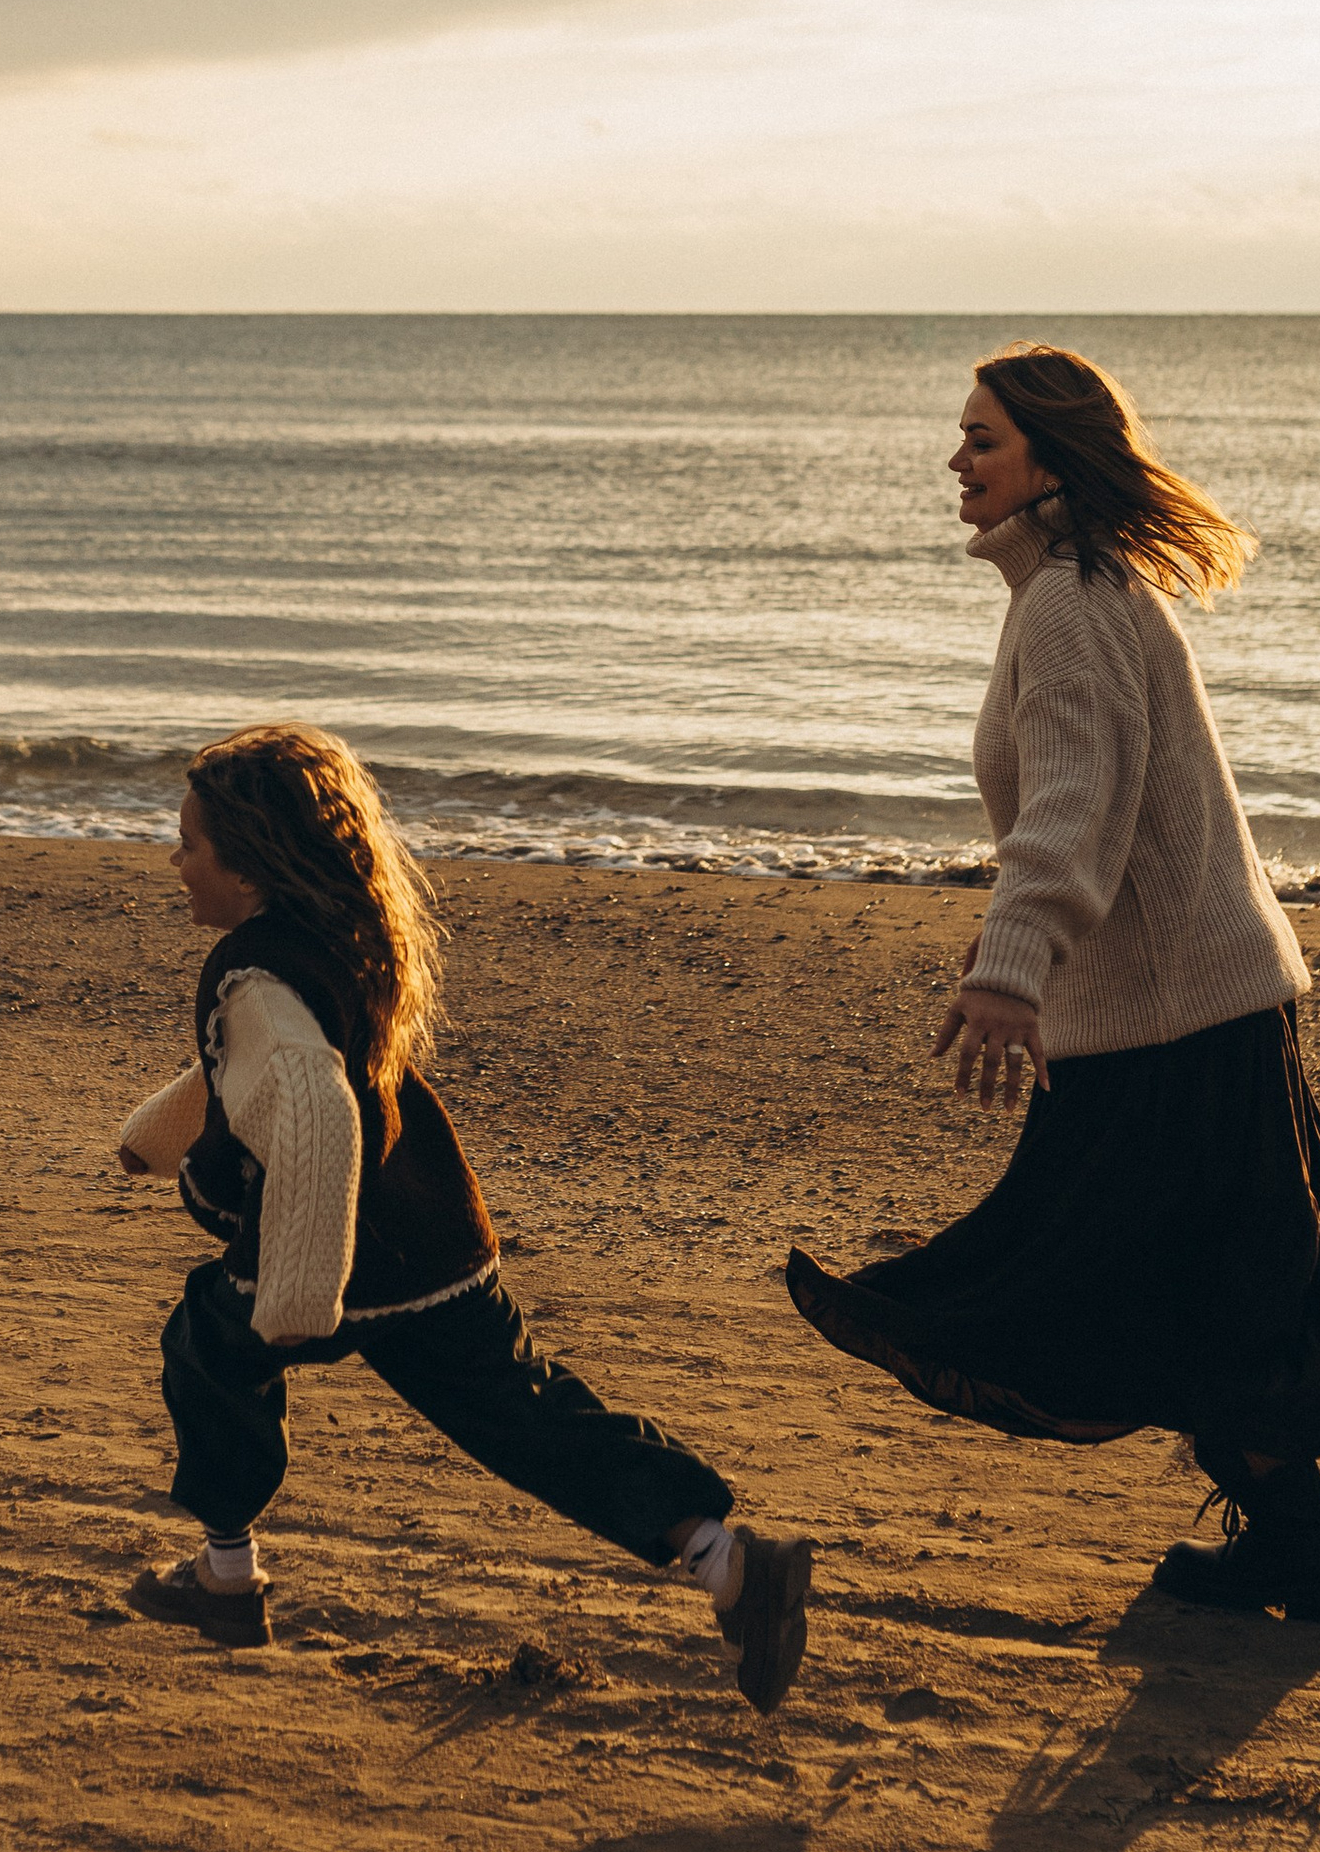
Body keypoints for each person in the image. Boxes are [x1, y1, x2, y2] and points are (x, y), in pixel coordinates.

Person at [784, 344, 1320, 1626]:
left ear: (1050, 454)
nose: (957, 460)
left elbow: (1072, 808)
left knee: (1121, 1285)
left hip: (1175, 1027)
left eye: (982, 438)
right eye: (963, 437)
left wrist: (1008, 971)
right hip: (1178, 1014)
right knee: (1197, 1278)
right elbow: (1086, 805)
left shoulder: (1072, 602)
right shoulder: (1075, 585)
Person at [115, 722, 814, 1713]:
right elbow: (245, 1076)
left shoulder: (257, 976)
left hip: (341, 1246)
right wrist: (152, 1138)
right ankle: (728, 1562)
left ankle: (225, 1581)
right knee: (520, 1411)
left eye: (189, 844)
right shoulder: (330, 934)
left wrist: (299, 1293)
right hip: (431, 1232)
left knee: (209, 1346)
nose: (174, 860)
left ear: (249, 859)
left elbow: (308, 1108)